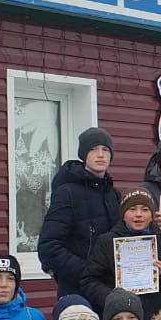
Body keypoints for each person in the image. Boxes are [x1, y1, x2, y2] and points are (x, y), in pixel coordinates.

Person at [39, 127, 121, 299]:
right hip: (77, 292)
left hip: (109, 292)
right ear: (84, 154)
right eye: (93, 149)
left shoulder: (114, 195)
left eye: (105, 150)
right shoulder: (67, 192)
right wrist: (88, 271)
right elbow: (49, 248)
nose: (100, 154)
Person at [81, 188, 161, 320]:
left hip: (154, 319)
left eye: (145, 210)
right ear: (123, 214)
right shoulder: (106, 242)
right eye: (132, 209)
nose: (138, 215)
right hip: (119, 319)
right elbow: (89, 281)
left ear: (153, 215)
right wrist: (113, 298)